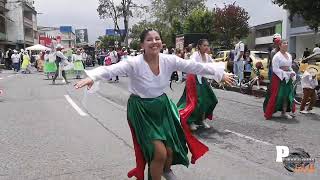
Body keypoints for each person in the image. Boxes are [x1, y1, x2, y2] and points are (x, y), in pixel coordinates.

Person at [74, 29, 234, 180]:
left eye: (157, 38)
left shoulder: (169, 60)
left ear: (162, 43)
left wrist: (219, 73)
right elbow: (111, 69)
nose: (154, 42)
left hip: (162, 107)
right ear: (142, 45)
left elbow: (194, 66)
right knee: (159, 153)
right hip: (141, 110)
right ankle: (160, 170)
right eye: (149, 39)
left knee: (169, 151)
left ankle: (165, 169)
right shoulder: (133, 63)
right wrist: (92, 77)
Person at [177, 39, 221, 131]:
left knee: (211, 99)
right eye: (204, 45)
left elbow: (214, 66)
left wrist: (224, 74)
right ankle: (191, 121)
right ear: (199, 46)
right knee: (195, 102)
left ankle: (202, 119)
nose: (206, 47)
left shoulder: (208, 56)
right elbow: (194, 66)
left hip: (202, 79)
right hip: (193, 79)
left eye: (207, 45)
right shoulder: (195, 55)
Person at [263, 40, 296, 120]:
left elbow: (289, 67)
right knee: (276, 95)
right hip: (278, 78)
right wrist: (286, 73)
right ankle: (269, 112)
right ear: (280, 45)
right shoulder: (277, 56)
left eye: (287, 43)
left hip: (287, 79)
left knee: (286, 96)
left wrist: (292, 72)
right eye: (284, 43)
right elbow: (275, 69)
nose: (286, 44)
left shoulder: (289, 55)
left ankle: (284, 112)